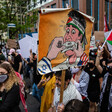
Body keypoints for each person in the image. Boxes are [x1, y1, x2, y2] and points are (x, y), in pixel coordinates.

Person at [37, 10, 89, 75]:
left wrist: (80, 56)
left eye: (73, 32)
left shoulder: (85, 65)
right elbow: (40, 71)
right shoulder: (60, 66)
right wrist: (49, 56)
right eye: (67, 31)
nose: (67, 36)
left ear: (80, 37)